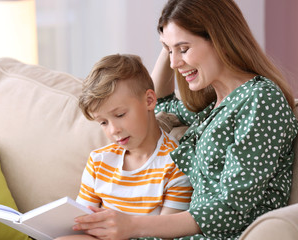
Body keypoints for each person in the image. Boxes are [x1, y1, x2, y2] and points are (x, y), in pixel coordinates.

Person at [63, 0, 298, 239]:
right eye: (169, 51)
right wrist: (170, 42)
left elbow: (231, 209)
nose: (174, 63)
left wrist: (132, 225)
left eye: (183, 49)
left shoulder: (260, 99)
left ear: (219, 38)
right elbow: (158, 104)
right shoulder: (210, 105)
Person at [57, 54, 193, 240]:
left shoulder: (175, 163)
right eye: (103, 122)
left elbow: (167, 234)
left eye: (120, 115)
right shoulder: (99, 161)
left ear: (149, 101)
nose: (114, 130)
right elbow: (82, 224)